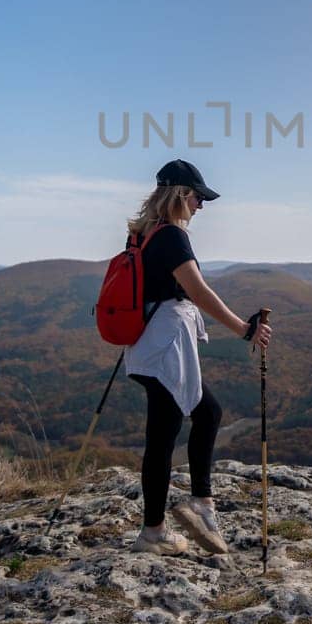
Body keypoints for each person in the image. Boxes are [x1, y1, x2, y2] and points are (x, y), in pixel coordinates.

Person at [123, 158, 272, 555]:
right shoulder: (171, 236)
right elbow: (199, 291)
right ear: (179, 195)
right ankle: (155, 531)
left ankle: (197, 504)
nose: (200, 206)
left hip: (147, 341)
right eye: (197, 197)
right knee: (166, 431)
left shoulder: (142, 234)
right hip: (166, 345)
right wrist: (245, 329)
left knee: (202, 414)